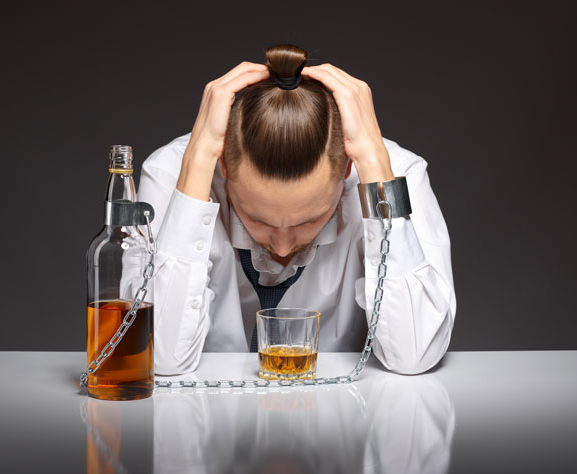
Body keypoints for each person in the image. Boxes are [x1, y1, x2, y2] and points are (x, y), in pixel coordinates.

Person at [137, 44, 456, 376]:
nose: (284, 246)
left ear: (347, 170)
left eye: (309, 221)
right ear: (223, 167)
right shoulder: (172, 174)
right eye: (258, 220)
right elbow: (161, 358)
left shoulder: (393, 173)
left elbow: (415, 354)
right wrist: (199, 158)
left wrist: (375, 161)